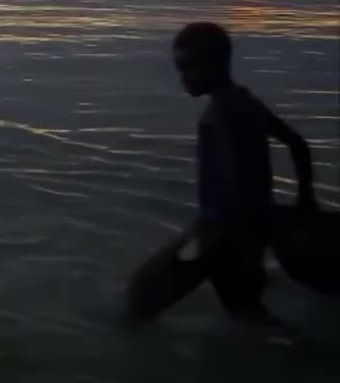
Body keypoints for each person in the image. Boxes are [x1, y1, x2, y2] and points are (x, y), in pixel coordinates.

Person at [127, 22, 321, 325]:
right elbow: (298, 145)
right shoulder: (245, 101)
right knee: (246, 312)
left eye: (188, 68)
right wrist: (304, 202)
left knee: (141, 298)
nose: (183, 79)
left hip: (222, 234)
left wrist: (215, 242)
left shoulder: (222, 114)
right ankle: (309, 357)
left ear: (215, 65)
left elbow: (235, 182)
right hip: (243, 232)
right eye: (180, 69)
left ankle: (316, 362)